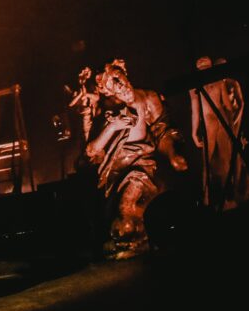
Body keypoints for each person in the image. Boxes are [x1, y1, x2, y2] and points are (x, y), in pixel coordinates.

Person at [74, 59, 187, 259]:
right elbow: (91, 151)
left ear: (125, 73)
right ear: (107, 91)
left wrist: (172, 154)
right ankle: (135, 237)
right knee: (121, 224)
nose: (119, 86)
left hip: (143, 167)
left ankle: (142, 235)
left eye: (118, 78)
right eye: (112, 85)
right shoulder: (106, 111)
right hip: (115, 174)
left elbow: (162, 131)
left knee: (137, 215)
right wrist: (113, 127)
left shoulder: (148, 98)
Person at [189, 56, 249, 209]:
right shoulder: (215, 81)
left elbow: (195, 111)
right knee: (224, 159)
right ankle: (221, 194)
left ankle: (214, 196)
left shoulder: (196, 85)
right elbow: (226, 106)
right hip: (220, 119)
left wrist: (194, 131)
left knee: (215, 160)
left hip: (215, 121)